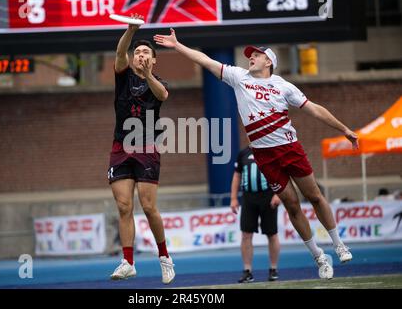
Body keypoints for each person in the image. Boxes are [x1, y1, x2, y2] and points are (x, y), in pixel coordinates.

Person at [154, 29, 358, 279]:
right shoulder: (238, 77)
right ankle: (319, 256)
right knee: (292, 205)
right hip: (264, 155)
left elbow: (314, 109)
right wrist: (177, 46)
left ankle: (338, 244)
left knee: (314, 195)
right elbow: (205, 61)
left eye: (257, 55)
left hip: (289, 148)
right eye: (250, 55)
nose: (250, 57)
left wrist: (345, 129)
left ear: (269, 61)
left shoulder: (283, 86)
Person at [108, 14, 175, 284]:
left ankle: (165, 258)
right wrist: (131, 29)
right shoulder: (123, 75)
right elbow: (120, 50)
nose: (140, 54)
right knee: (124, 206)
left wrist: (148, 76)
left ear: (154, 59)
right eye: (138, 51)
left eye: (146, 52)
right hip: (120, 146)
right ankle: (128, 261)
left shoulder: (157, 81)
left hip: (147, 145)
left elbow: (163, 96)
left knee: (148, 207)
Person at [230, 146, 281, 283]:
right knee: (246, 234)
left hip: (268, 197)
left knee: (272, 233)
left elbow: (280, 172)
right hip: (249, 198)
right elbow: (237, 175)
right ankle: (247, 271)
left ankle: (273, 269)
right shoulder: (243, 154)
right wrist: (234, 198)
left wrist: (278, 194)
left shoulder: (270, 150)